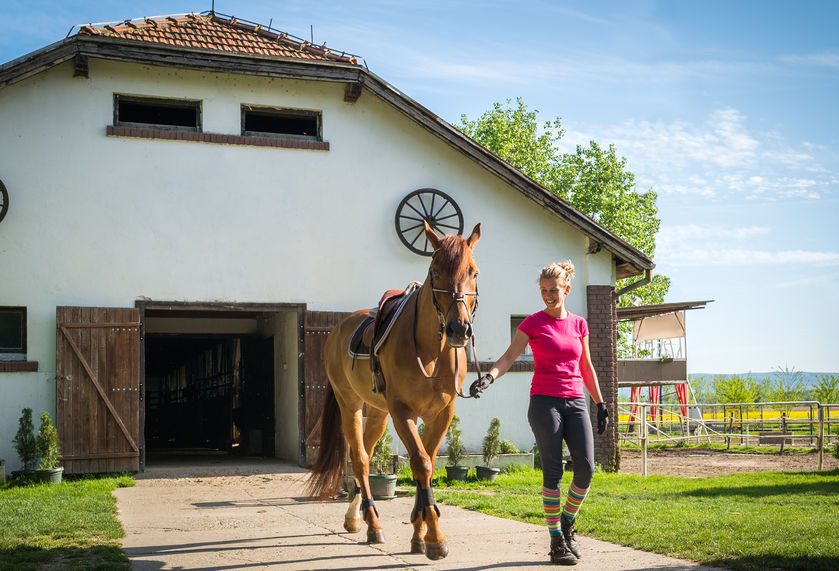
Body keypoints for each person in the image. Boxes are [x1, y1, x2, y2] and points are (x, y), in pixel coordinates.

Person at [469, 260, 609, 566]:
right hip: (544, 402)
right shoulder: (532, 323)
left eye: (553, 290)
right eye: (544, 290)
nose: (548, 295)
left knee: (586, 469)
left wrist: (600, 404)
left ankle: (567, 523)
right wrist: (489, 377)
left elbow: (585, 367)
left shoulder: (579, 324)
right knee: (553, 473)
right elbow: (508, 357)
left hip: (575, 402)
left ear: (566, 289)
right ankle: (556, 541)